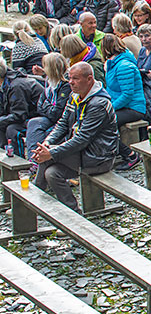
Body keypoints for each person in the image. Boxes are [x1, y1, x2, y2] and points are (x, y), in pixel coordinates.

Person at [32, 62, 118, 210]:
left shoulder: (99, 104)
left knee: (46, 159)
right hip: (81, 154)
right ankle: (73, 213)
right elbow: (62, 124)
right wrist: (47, 142)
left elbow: (82, 139)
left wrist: (51, 152)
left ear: (89, 79)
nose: (70, 82)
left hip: (99, 156)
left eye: (75, 78)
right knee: (52, 173)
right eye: (69, 78)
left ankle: (31, 200)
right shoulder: (75, 96)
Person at [101, 35, 145, 170]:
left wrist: (111, 107)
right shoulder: (112, 65)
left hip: (133, 108)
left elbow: (127, 94)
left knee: (102, 125)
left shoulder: (123, 66)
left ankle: (130, 155)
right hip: (122, 106)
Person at [25, 53, 71, 165]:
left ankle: (36, 161)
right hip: (48, 118)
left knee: (41, 131)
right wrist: (48, 108)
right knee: (34, 123)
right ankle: (34, 160)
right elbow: (39, 105)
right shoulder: (49, 82)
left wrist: (47, 106)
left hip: (62, 121)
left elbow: (57, 113)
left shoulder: (66, 85)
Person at [0, 56, 42, 154]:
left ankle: (18, 163)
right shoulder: (4, 85)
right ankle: (4, 160)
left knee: (12, 130)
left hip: (37, 117)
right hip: (23, 116)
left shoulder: (16, 86)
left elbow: (19, 115)